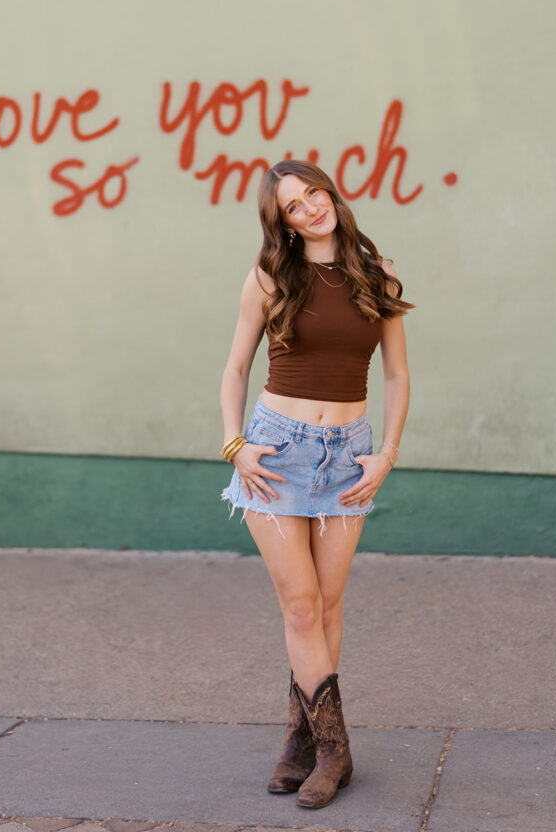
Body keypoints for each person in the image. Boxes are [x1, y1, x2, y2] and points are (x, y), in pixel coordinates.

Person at [219, 159, 413, 809]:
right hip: (278, 456)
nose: (309, 209)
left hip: (349, 458)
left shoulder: (375, 274)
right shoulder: (271, 276)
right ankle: (336, 750)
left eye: (313, 194)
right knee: (300, 605)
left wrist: (387, 454)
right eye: (293, 207)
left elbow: (395, 376)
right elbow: (236, 367)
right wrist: (235, 446)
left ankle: (299, 741)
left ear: (330, 193)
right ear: (285, 225)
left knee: (327, 607)